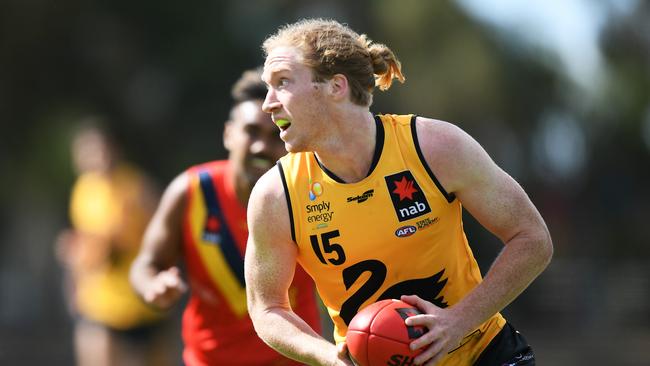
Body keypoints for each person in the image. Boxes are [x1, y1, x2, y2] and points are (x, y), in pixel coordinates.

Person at [244, 18, 553, 366]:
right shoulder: (276, 196)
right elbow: (266, 308)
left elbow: (532, 239)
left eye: (282, 83)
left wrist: (458, 322)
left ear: (336, 86)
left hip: (484, 354)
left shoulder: (434, 147)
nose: (268, 103)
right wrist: (329, 357)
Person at [129, 68, 322, 365]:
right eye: (251, 132)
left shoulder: (310, 194)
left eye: (275, 135)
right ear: (228, 134)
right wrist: (153, 286)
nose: (261, 146)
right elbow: (145, 264)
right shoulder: (191, 193)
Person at [56, 119, 175, 366]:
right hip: (101, 304)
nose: (96, 157)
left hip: (142, 304)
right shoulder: (82, 191)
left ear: (114, 149)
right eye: (87, 152)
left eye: (100, 149)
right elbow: (84, 243)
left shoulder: (138, 187)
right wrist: (75, 269)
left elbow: (164, 237)